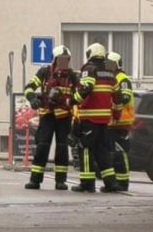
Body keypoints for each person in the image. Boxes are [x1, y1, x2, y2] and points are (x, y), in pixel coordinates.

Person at [23, 46, 77, 190]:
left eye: (66, 60)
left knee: (62, 148)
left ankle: (61, 181)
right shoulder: (44, 72)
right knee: (42, 146)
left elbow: (79, 94)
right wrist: (33, 98)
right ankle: (35, 180)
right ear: (54, 60)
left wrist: (69, 102)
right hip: (47, 115)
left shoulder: (72, 76)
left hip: (64, 116)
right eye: (61, 60)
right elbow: (29, 87)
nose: (64, 62)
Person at [71, 43, 119, 193]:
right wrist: (116, 114)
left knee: (85, 149)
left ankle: (87, 183)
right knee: (102, 150)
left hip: (89, 118)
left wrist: (72, 100)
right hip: (104, 119)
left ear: (90, 53)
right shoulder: (110, 72)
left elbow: (86, 88)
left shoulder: (89, 69)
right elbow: (117, 96)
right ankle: (110, 183)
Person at [106, 52, 135, 191]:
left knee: (120, 153)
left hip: (121, 122)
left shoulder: (122, 79)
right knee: (111, 153)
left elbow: (125, 98)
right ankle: (114, 183)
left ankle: (123, 183)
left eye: (110, 64)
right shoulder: (109, 78)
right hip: (111, 122)